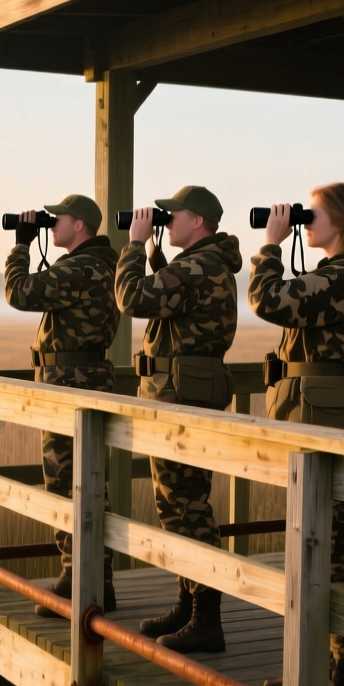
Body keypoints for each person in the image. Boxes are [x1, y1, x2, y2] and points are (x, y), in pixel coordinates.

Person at [248, 184, 344, 686]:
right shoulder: (340, 271)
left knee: (327, 546)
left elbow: (269, 300)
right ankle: (334, 671)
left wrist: (270, 245)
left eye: (315, 213)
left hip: (324, 409)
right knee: (322, 544)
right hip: (316, 405)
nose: (306, 220)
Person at [114, 185, 242, 653]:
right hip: (181, 394)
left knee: (186, 507)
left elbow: (132, 298)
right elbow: (174, 301)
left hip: (180, 398)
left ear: (199, 222)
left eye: (175, 215)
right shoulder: (204, 263)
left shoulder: (199, 265)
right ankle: (189, 606)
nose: (166, 221)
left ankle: (206, 619)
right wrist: (152, 250)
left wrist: (132, 244)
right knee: (180, 503)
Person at [3, 194, 122, 618]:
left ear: (81, 226)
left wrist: (21, 244)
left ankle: (77, 580)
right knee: (91, 483)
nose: (53, 225)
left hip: (68, 384)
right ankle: (98, 581)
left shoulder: (79, 267)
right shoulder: (103, 265)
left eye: (60, 219)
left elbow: (18, 293)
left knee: (66, 484)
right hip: (87, 380)